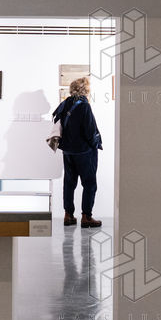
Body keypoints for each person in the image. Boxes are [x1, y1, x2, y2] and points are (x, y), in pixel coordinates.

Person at [49, 77, 102, 228]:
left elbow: (56, 120)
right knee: (89, 184)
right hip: (84, 151)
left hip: (68, 151)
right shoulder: (84, 106)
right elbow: (90, 131)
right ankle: (86, 217)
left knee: (69, 183)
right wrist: (96, 144)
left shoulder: (65, 103)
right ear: (85, 89)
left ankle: (68, 215)